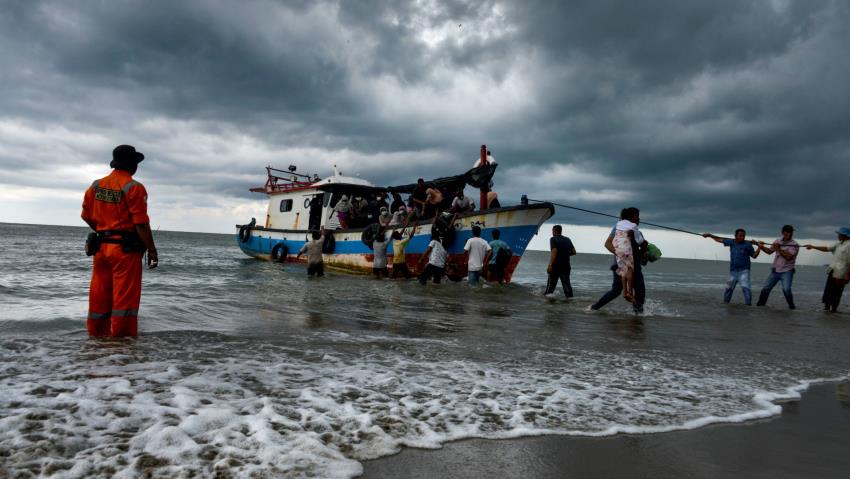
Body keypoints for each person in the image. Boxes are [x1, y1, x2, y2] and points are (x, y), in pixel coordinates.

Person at [81, 144, 158, 338]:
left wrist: (104, 230)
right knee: (125, 302)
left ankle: (97, 340)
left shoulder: (96, 186)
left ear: (115, 164)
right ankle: (122, 345)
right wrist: (152, 249)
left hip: (101, 249)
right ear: (133, 165)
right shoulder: (134, 187)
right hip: (125, 252)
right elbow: (141, 223)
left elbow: (87, 216)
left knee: (99, 298)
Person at [590, 207, 647, 313]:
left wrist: (644, 254)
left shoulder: (637, 232)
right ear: (631, 217)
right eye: (637, 216)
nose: (639, 219)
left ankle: (638, 316)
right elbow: (607, 244)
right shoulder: (618, 228)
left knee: (638, 292)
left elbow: (642, 248)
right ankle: (593, 308)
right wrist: (620, 255)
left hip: (635, 266)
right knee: (617, 291)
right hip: (621, 264)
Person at [703, 229, 760, 305]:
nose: (742, 237)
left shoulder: (748, 245)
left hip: (744, 271)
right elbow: (719, 239)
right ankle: (725, 304)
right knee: (729, 289)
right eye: (740, 235)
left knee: (745, 288)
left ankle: (748, 306)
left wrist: (759, 247)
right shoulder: (731, 242)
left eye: (743, 236)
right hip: (733, 271)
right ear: (735, 236)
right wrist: (710, 236)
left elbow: (754, 256)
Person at [804, 227, 850, 312]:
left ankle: (833, 311)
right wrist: (813, 247)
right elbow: (826, 248)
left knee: (836, 293)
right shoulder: (839, 243)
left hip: (841, 274)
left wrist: (847, 275)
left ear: (845, 235)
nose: (838, 235)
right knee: (828, 292)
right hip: (832, 271)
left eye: (840, 234)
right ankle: (827, 311)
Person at [755, 225, 799, 309]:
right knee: (765, 289)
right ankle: (760, 306)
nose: (789, 234)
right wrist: (761, 246)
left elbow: (789, 257)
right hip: (775, 270)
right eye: (787, 231)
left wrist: (778, 249)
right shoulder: (777, 241)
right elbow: (769, 251)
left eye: (791, 232)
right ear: (783, 232)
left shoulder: (795, 244)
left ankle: (792, 307)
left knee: (786, 290)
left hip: (787, 271)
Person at [613, 217, 643, 302]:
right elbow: (639, 241)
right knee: (629, 270)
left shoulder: (618, 226)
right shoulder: (633, 226)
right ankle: (630, 293)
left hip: (618, 250)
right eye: (637, 217)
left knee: (623, 271)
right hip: (626, 250)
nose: (639, 220)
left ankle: (625, 292)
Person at [543, 225, 576, 298]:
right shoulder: (567, 239)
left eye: (552, 230)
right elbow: (574, 252)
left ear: (554, 231)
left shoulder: (553, 239)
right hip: (566, 266)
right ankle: (570, 301)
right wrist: (565, 254)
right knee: (567, 285)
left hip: (556, 266)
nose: (552, 232)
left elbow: (554, 251)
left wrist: (550, 265)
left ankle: (547, 301)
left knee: (551, 287)